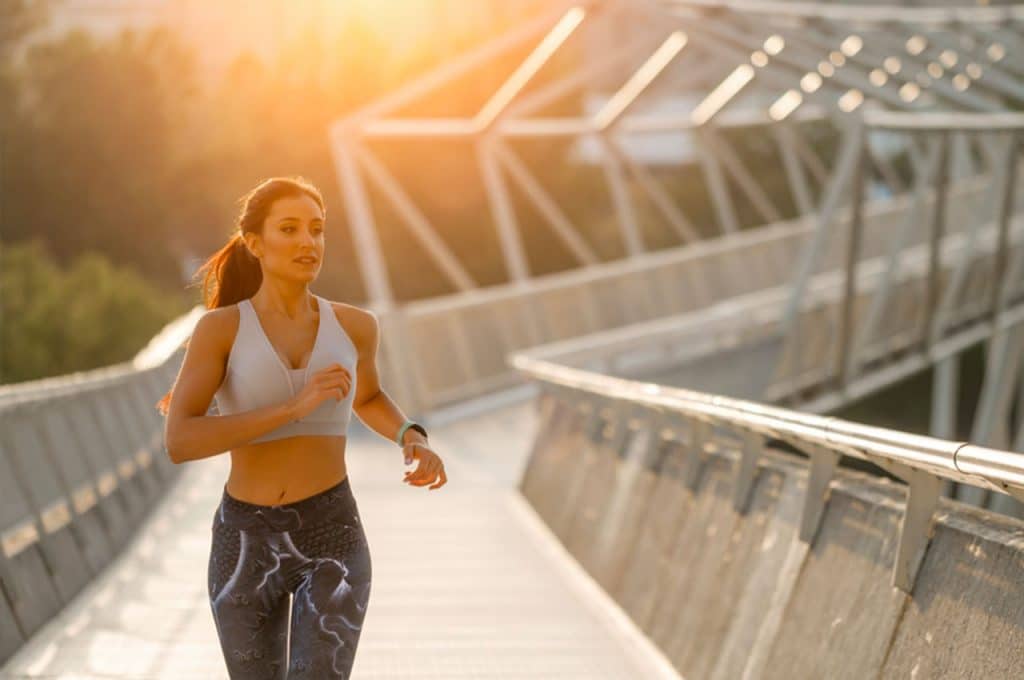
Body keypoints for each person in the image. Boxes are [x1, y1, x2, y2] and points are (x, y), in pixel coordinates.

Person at [156, 175, 447, 679]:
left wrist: (411, 438)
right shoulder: (221, 329)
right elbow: (180, 440)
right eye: (288, 229)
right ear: (255, 244)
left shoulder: (355, 327)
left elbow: (370, 396)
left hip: (332, 534)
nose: (307, 242)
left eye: (317, 229)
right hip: (244, 542)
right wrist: (294, 408)